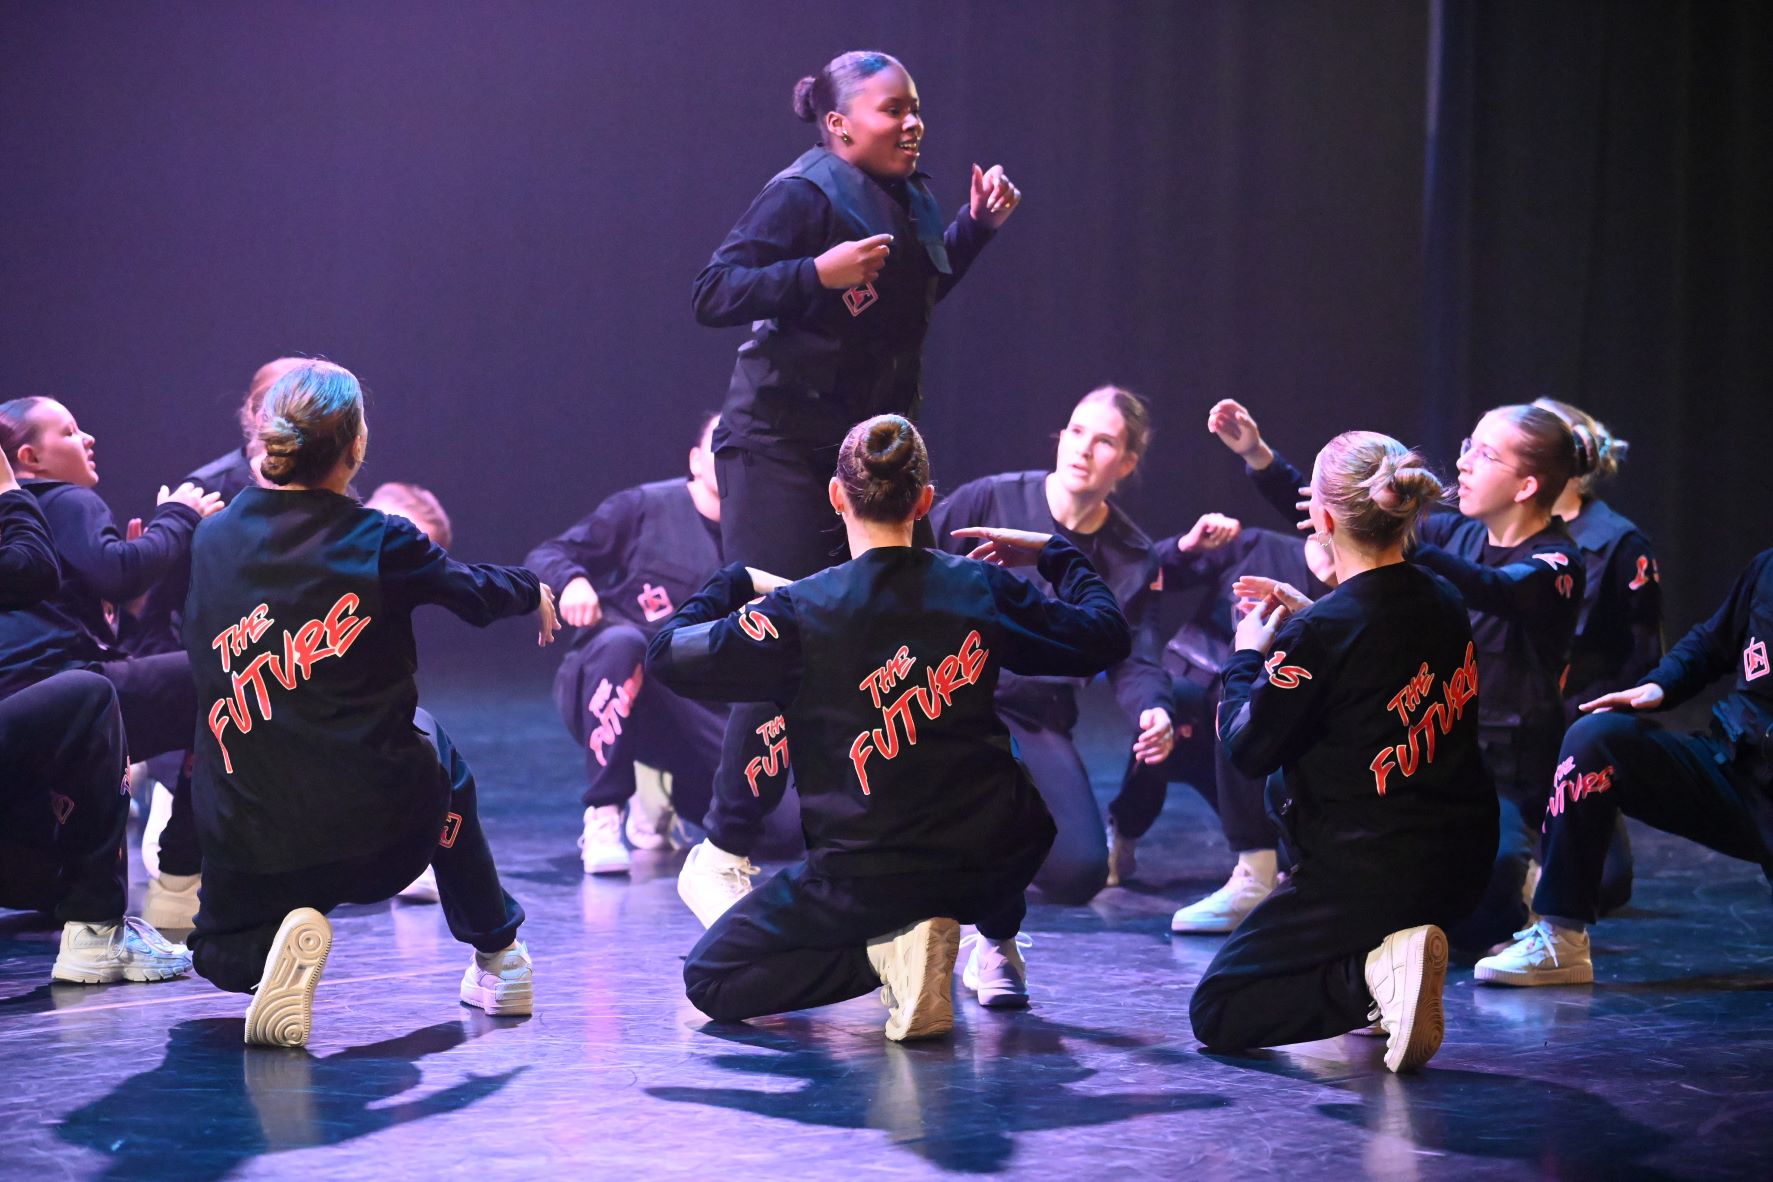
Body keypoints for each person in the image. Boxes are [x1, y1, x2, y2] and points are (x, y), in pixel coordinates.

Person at [679, 50, 1022, 926]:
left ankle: (900, 846)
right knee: (782, 627)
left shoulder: (913, 195)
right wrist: (812, 275)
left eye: (915, 108)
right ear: (838, 126)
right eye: (890, 110)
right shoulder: (802, 192)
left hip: (863, 454)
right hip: (780, 446)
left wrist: (975, 230)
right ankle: (722, 849)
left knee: (904, 630)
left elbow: (915, 294)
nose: (912, 123)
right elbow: (712, 291)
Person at [648, 415, 1128, 1039]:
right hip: (986, 864)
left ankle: (887, 953)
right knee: (998, 789)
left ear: (835, 496)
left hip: (862, 878)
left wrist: (731, 580)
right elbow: (1105, 635)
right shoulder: (978, 586)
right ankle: (991, 942)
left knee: (710, 979)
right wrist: (1056, 554)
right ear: (924, 501)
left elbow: (667, 654)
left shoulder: (799, 611)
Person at [180, 360, 557, 1048]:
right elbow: (475, 593)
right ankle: (501, 957)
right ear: (356, 445)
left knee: (213, 956)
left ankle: (268, 956)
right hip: (379, 838)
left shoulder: (210, 539)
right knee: (433, 744)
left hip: (252, 839)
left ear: (267, 437)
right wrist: (531, 588)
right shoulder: (378, 538)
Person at [1210, 398, 1590, 949]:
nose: (1463, 462)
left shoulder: (1557, 562)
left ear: (1527, 486)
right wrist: (1260, 457)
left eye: (1485, 454)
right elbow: (1344, 511)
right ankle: (1282, 877)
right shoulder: (1456, 537)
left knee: (1490, 900)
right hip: (1418, 742)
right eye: (1467, 446)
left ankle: (1528, 872)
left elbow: (1493, 588)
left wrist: (1385, 544)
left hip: (1503, 767)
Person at [1188, 431, 1496, 1073]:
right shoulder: (1444, 598)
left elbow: (1246, 747)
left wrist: (1247, 656)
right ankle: (1390, 963)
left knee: (1218, 1010)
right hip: (1463, 865)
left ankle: (1374, 976)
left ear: (1323, 521)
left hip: (1370, 870)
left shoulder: (1322, 631)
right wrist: (1311, 624)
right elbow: (1370, 662)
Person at [1475, 546, 1773, 985]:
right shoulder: (1767, 568)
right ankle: (1561, 938)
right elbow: (1713, 641)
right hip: (1736, 767)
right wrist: (1658, 686)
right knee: (1596, 739)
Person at [927, 386, 1174, 904]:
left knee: (1079, 872)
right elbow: (908, 564)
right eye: (1076, 431)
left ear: (1126, 463)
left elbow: (1134, 653)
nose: (1083, 448)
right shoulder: (990, 499)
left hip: (1033, 713)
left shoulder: (1131, 554)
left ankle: (985, 827)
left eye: (1104, 441)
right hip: (944, 695)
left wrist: (1153, 708)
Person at [0, 395, 223, 931]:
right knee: (223, 676)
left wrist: (126, 605)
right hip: (64, 694)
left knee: (56, 881)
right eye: (69, 431)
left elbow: (83, 602)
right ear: (29, 458)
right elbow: (117, 570)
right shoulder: (62, 497)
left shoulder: (23, 523)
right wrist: (178, 518)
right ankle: (181, 872)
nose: (88, 439)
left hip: (24, 707)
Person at [525, 414, 736, 874]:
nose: (732, 459)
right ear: (695, 461)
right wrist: (572, 580)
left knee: (779, 834)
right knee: (621, 643)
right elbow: (549, 554)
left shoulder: (764, 530)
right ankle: (604, 814)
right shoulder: (645, 508)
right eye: (720, 447)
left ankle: (660, 787)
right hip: (618, 680)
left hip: (703, 707)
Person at [1134, 517, 1332, 931]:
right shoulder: (1257, 546)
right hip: (1211, 717)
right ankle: (1129, 829)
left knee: (1258, 702)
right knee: (1163, 705)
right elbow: (1141, 574)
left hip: (1284, 752)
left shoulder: (1358, 591)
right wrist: (1187, 546)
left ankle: (1274, 862)